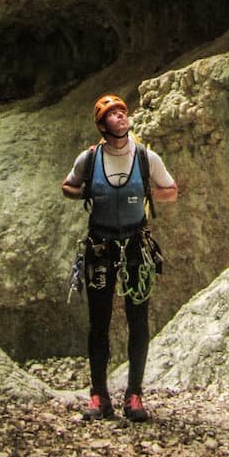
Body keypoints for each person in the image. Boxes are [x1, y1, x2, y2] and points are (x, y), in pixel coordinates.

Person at [62, 93, 178, 422]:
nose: (121, 117)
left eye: (122, 112)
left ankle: (134, 395)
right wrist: (87, 191)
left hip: (135, 245)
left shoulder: (145, 158)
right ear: (102, 125)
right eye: (113, 114)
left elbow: (171, 191)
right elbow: (67, 187)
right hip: (100, 247)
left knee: (137, 320)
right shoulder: (89, 158)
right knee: (98, 321)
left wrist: (144, 193)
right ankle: (99, 396)